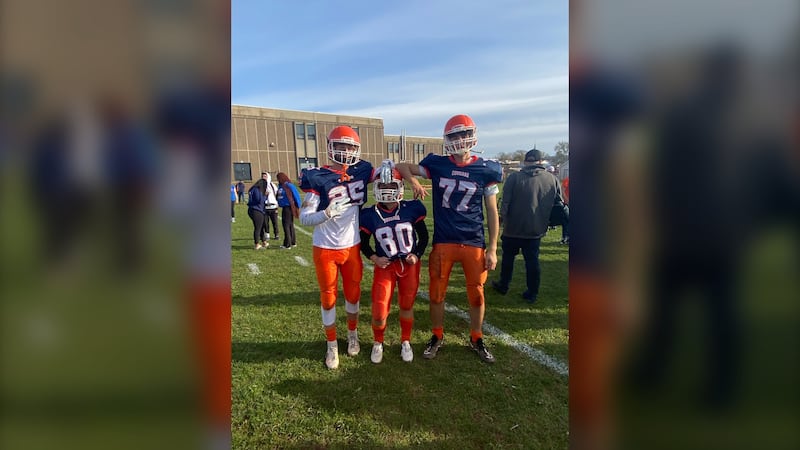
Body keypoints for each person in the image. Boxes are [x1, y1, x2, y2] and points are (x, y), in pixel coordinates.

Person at [396, 114, 503, 364]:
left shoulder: (486, 168)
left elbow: (492, 211)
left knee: (476, 293)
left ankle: (476, 337)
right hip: (444, 241)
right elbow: (402, 166)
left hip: (473, 241)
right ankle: (437, 335)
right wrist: (414, 183)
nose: (460, 140)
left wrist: (493, 247)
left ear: (473, 135)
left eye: (464, 134)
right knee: (436, 293)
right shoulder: (438, 164)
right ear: (447, 139)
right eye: (454, 135)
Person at [299, 125, 375, 370]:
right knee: (328, 299)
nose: (346, 151)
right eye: (341, 145)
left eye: (351, 146)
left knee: (353, 296)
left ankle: (352, 334)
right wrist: (327, 213)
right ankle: (331, 344)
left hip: (352, 246)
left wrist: (391, 168)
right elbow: (303, 218)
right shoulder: (316, 175)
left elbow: (392, 173)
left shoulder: (362, 169)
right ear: (331, 146)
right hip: (325, 248)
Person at [359, 163, 429, 363]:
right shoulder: (369, 214)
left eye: (392, 185)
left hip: (409, 266)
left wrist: (416, 254)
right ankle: (378, 341)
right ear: (376, 187)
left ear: (400, 186)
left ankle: (405, 340)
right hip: (385, 267)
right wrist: (374, 258)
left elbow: (423, 237)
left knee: (407, 305)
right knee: (380, 309)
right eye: (382, 185)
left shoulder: (412, 208)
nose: (387, 189)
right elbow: (363, 243)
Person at [491, 148, 564, 304]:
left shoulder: (514, 178)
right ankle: (532, 292)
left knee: (508, 259)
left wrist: (500, 220)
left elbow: (505, 203)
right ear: (540, 161)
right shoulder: (551, 179)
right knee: (532, 262)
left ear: (526, 161)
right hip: (536, 229)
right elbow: (560, 204)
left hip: (513, 228)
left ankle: (503, 285)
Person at [276, 172, 301, 249]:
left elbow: (296, 195)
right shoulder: (280, 186)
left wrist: (298, 206)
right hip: (284, 207)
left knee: (286, 225)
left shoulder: (288, 185)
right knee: (289, 225)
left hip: (289, 207)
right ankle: (292, 242)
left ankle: (287, 244)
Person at [247, 178, 269, 249]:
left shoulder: (252, 189)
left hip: (253, 209)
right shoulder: (257, 190)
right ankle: (256, 243)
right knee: (258, 227)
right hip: (257, 210)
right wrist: (266, 196)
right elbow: (259, 200)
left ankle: (264, 241)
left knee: (261, 226)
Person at [262, 172, 280, 241]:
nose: (264, 177)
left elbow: (277, 194)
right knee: (265, 222)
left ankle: (276, 234)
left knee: (275, 222)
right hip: (265, 206)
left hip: (273, 207)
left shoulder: (272, 185)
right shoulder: (261, 186)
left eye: (265, 176)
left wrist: (277, 203)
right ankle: (267, 235)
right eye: (263, 176)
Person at [559, 175, 570, 244]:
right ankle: (565, 237)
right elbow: (562, 190)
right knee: (566, 221)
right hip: (568, 202)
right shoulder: (567, 179)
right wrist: (566, 200)